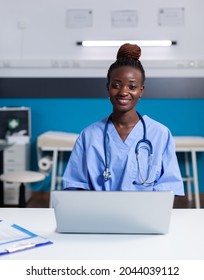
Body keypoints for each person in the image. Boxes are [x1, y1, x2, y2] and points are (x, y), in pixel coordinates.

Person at [63, 43, 184, 195]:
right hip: (99, 215)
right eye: (116, 85)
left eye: (132, 87)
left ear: (141, 91)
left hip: (144, 215)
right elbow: (75, 185)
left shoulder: (160, 134)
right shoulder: (89, 136)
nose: (123, 92)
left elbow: (169, 189)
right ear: (108, 88)